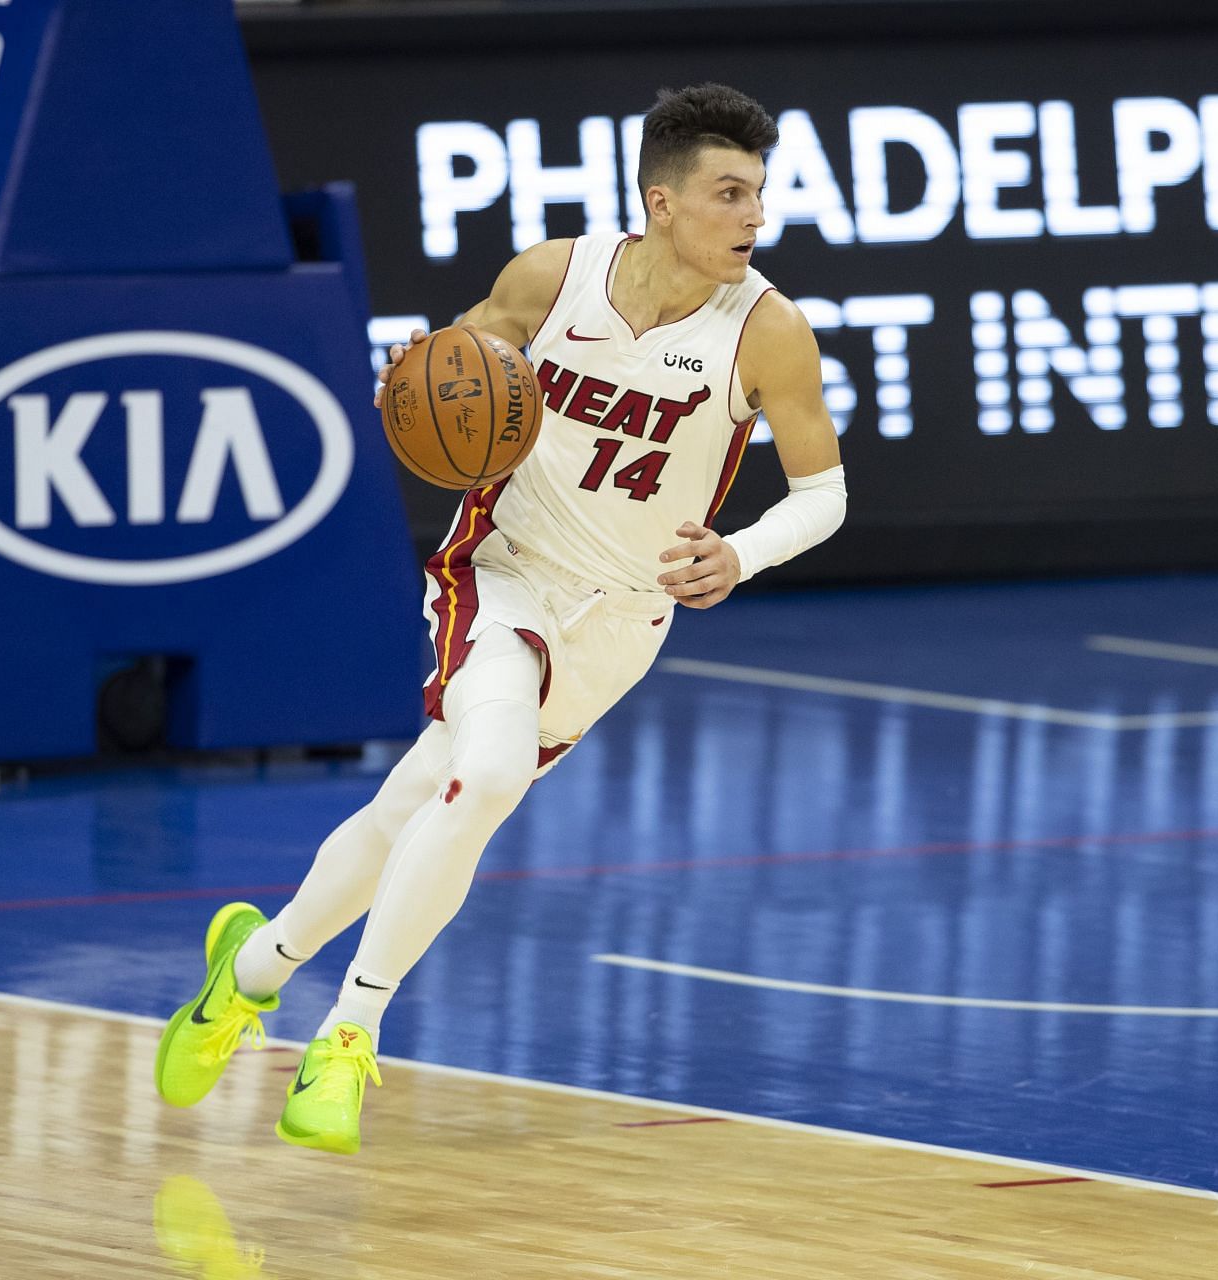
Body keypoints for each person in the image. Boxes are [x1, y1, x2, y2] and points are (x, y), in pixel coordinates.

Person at [154, 83, 847, 1154]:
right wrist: (412, 380)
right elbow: (447, 369)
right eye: (729, 192)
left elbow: (825, 494)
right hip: (503, 571)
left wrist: (740, 551)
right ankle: (349, 1032)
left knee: (414, 806)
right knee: (485, 776)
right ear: (661, 200)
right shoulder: (551, 277)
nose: (755, 217)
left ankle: (248, 972)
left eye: (760, 193)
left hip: (622, 622)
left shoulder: (768, 332)